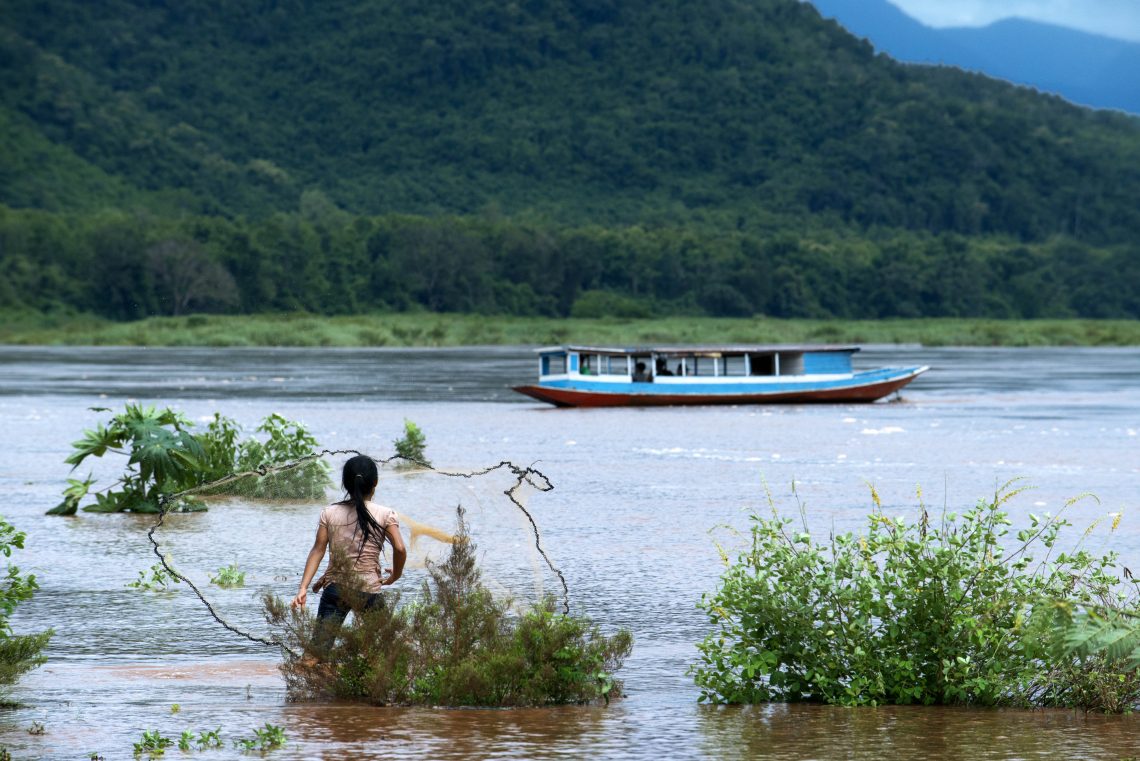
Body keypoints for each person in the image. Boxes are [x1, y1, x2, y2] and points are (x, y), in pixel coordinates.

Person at [291, 455, 407, 634]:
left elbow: (317, 550)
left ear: (345, 483)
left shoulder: (329, 513)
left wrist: (303, 587)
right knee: (386, 649)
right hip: (369, 590)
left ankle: (311, 661)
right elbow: (399, 548)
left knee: (318, 650)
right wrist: (396, 574)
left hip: (336, 589)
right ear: (375, 483)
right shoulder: (386, 514)